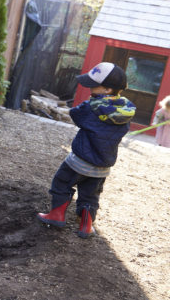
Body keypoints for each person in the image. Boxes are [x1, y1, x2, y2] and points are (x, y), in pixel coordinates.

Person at [37, 62, 135, 238]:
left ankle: (57, 215)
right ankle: (86, 226)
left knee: (62, 183)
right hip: (102, 167)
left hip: (79, 161)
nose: (90, 89)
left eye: (93, 85)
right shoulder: (125, 111)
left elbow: (75, 115)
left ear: (107, 89)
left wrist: (88, 104)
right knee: (91, 196)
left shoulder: (92, 106)